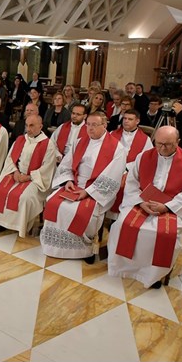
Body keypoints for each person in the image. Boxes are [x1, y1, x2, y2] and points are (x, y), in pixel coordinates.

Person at [107, 126, 182, 288]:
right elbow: (132, 182)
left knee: (162, 234)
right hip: (142, 202)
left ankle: (154, 275)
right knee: (122, 225)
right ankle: (125, 268)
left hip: (171, 209)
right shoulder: (143, 157)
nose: (162, 148)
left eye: (168, 144)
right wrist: (140, 202)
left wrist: (167, 206)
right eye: (159, 144)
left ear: (178, 142)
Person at [40, 112, 127, 263]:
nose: (90, 128)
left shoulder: (117, 148)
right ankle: (54, 246)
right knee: (53, 202)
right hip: (74, 184)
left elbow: (113, 176)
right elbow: (67, 164)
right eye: (88, 124)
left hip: (96, 190)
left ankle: (84, 249)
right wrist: (67, 180)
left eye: (95, 125)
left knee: (79, 212)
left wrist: (87, 192)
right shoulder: (80, 141)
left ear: (105, 125)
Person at [0, 114, 58, 237]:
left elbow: (47, 168)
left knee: (24, 198)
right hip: (16, 174)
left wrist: (29, 177)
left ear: (40, 126)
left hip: (35, 179)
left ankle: (19, 226)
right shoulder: (20, 139)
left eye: (32, 126)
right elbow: (10, 159)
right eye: (27, 125)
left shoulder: (48, 144)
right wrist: (15, 172)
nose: (28, 129)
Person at [107, 109, 154, 218]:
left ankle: (120, 217)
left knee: (128, 184)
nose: (126, 121)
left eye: (130, 119)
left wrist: (127, 169)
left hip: (132, 171)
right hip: (112, 168)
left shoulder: (145, 139)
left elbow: (146, 160)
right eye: (125, 118)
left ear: (137, 121)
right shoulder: (112, 134)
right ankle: (107, 214)